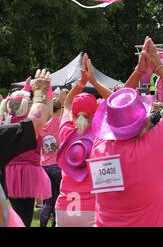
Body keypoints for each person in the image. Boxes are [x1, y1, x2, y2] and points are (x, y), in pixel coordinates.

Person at [89, 36, 163, 227]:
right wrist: (159, 68)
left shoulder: (99, 148)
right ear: (142, 120)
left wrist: (139, 72)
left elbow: (115, 110)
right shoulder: (152, 147)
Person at [55, 55, 111, 227]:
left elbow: (67, 105)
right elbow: (116, 101)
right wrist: (93, 81)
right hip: (92, 206)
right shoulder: (101, 134)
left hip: (64, 206)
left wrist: (79, 85)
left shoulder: (65, 130)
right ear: (96, 113)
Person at [0, 69, 52, 227]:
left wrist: (27, 90)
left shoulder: (6, 122)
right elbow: (40, 117)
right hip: (28, 173)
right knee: (24, 215)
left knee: (17, 211)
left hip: (11, 173)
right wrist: (42, 90)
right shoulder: (14, 128)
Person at [39, 98, 63, 227]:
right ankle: (56, 222)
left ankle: (43, 224)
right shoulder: (60, 122)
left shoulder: (42, 124)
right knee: (60, 197)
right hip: (57, 166)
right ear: (59, 110)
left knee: (47, 200)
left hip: (44, 166)